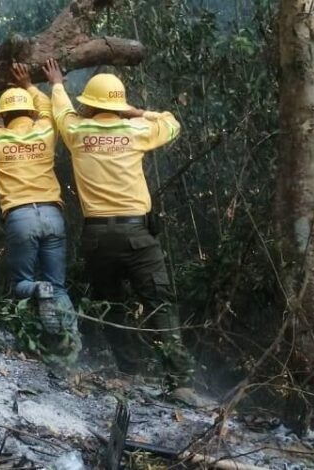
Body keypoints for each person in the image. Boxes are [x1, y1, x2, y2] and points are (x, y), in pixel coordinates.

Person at [43, 58, 207, 406]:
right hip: (137, 236)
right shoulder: (137, 131)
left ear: (88, 103)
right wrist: (135, 111)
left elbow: (61, 112)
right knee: (159, 303)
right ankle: (179, 383)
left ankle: (129, 372)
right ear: (118, 104)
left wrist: (57, 83)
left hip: (98, 238)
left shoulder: (77, 133)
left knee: (111, 305)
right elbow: (171, 123)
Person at [0, 63, 79, 363]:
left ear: (4, 117)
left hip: (20, 216)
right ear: (30, 114)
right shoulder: (45, 130)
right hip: (51, 213)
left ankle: (37, 289)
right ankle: (71, 345)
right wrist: (31, 86)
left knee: (22, 282)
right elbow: (48, 108)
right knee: (59, 285)